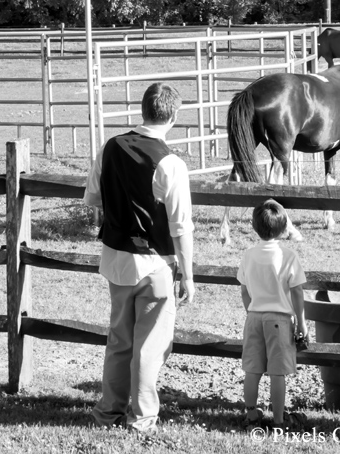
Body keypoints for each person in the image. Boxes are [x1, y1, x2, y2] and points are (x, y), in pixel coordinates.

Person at [83, 82, 195, 433]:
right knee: (149, 347)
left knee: (119, 340)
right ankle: (142, 418)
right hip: (154, 262)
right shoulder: (170, 163)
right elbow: (181, 228)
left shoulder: (110, 147)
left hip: (116, 258)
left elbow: (93, 199)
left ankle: (108, 412)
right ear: (173, 116)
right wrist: (188, 275)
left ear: (143, 108)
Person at [237, 199, 309, 430]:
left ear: (253, 225)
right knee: (277, 373)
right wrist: (301, 323)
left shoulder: (248, 255)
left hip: (254, 317)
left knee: (252, 370)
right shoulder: (288, 256)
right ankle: (278, 420)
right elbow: (297, 292)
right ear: (284, 227)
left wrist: (251, 310)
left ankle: (251, 416)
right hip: (279, 320)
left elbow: (244, 290)